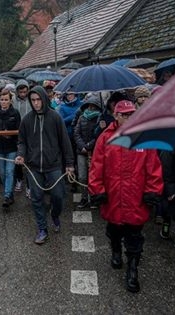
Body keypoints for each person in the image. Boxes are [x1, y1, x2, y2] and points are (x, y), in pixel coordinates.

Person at [89, 100, 163, 293]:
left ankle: (132, 271)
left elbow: (153, 167)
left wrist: (153, 190)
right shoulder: (105, 138)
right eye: (124, 115)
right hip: (113, 197)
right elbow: (96, 167)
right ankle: (115, 250)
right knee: (114, 230)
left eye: (132, 114)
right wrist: (97, 190)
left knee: (135, 236)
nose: (129, 118)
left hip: (135, 198)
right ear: (116, 116)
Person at [15, 86, 74, 244]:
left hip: (54, 165)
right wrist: (20, 155)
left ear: (44, 99)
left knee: (58, 196)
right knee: (36, 198)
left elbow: (65, 142)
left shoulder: (55, 117)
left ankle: (54, 215)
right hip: (33, 166)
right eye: (33, 100)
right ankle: (42, 228)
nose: (36, 103)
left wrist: (69, 163)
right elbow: (22, 142)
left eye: (38, 99)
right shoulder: (27, 120)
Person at [0, 89, 21, 208]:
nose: (4, 102)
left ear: (10, 100)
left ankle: (7, 195)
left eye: (6, 99)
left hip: (11, 146)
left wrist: (12, 135)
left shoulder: (15, 113)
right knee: (2, 173)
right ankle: (10, 193)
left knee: (9, 171)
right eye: (2, 100)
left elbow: (19, 129)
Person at [73, 95, 102, 208]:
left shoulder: (100, 119)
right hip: (81, 151)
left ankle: (93, 197)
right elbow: (76, 133)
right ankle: (84, 197)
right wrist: (82, 146)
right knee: (82, 176)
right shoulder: (82, 117)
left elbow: (100, 135)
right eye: (89, 106)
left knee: (93, 176)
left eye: (93, 106)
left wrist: (89, 145)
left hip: (94, 151)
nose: (91, 108)